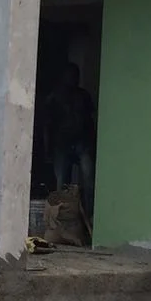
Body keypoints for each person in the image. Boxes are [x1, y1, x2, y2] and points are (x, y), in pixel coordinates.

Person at [43, 63, 96, 226]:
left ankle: (89, 218)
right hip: (62, 145)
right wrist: (47, 149)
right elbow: (47, 124)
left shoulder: (83, 96)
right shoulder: (54, 97)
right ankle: (62, 221)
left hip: (82, 143)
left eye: (75, 75)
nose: (73, 78)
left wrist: (93, 144)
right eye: (70, 75)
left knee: (89, 181)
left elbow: (91, 121)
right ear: (63, 77)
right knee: (61, 186)